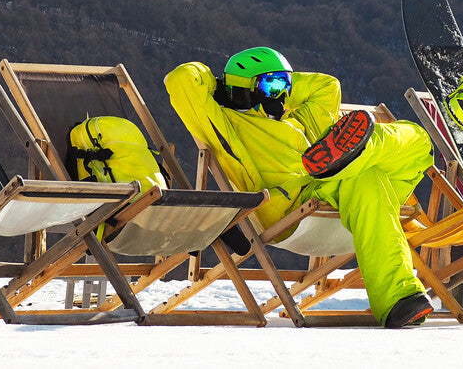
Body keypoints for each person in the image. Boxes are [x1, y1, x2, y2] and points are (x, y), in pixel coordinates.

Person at [164, 46, 436, 328]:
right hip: (290, 209)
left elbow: (327, 86)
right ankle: (398, 297)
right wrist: (223, 87)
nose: (282, 92)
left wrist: (277, 84)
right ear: (244, 87)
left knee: (418, 142)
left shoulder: (297, 119)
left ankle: (357, 153)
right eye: (272, 83)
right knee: (368, 181)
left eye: (286, 84)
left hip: (329, 189)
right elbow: (180, 80)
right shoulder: (227, 125)